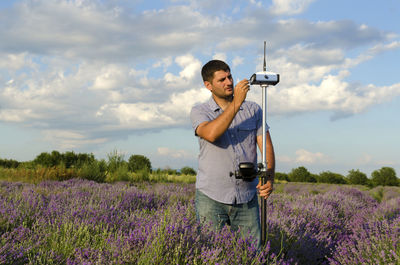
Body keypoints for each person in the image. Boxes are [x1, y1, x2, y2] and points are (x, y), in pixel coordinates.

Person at [190, 59, 275, 247]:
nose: (229, 82)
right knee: (210, 252)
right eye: (222, 80)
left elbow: (266, 147)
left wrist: (269, 179)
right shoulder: (200, 111)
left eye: (230, 77)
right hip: (211, 196)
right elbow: (211, 134)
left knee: (252, 253)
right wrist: (237, 102)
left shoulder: (254, 110)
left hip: (246, 196)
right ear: (208, 85)